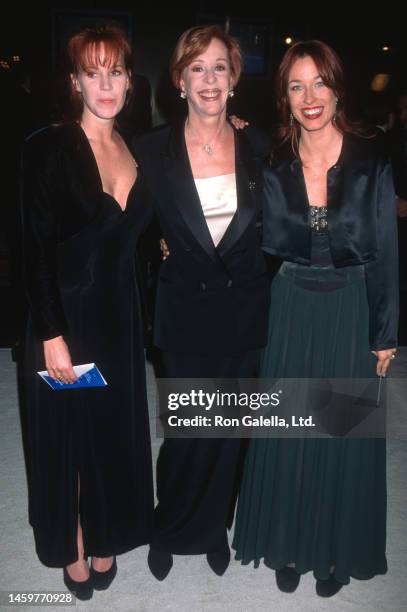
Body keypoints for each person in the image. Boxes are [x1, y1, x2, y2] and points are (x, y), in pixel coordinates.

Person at [232, 40, 398, 597]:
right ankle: (287, 544)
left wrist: (385, 332)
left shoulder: (371, 158)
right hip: (292, 304)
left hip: (350, 306)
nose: (310, 97)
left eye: (319, 83)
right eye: (297, 85)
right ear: (284, 95)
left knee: (341, 430)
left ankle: (333, 553)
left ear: (336, 89)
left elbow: (386, 251)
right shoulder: (271, 161)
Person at [20, 25, 153, 599]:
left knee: (110, 436)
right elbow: (33, 247)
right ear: (75, 80)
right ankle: (70, 538)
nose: (106, 83)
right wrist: (51, 332)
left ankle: (107, 528)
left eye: (115, 71)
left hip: (120, 320)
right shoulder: (47, 146)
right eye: (93, 72)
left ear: (129, 80)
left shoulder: (138, 146)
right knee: (67, 438)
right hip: (66, 319)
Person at [133, 25, 270, 579]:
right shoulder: (148, 150)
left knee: (229, 431)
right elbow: (126, 229)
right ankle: (170, 529)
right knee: (187, 429)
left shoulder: (260, 146)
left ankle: (213, 528)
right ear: (180, 81)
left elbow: (288, 221)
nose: (209, 79)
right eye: (198, 68)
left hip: (243, 310)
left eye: (220, 67)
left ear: (234, 80)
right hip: (184, 311)